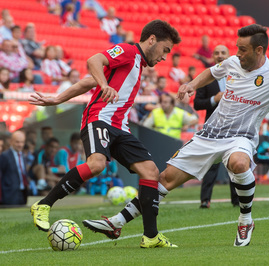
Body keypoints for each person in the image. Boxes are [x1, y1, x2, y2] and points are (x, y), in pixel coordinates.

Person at [81, 24, 269, 247]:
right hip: (209, 135)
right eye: (237, 48)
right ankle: (117, 223)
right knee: (165, 180)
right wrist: (192, 85)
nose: (238, 53)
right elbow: (212, 72)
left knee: (238, 163)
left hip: (240, 137)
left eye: (243, 49)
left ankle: (245, 220)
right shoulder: (233, 63)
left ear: (259, 50)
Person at [29, 19, 181, 248]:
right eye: (165, 50)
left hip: (120, 127)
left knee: (150, 172)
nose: (164, 57)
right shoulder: (129, 51)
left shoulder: (137, 63)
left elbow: (88, 81)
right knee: (97, 163)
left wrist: (58, 98)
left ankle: (151, 236)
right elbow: (94, 61)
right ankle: (44, 204)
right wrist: (104, 86)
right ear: (152, 40)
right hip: (98, 117)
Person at [194, 44, 239, 208]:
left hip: (235, 127)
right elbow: (197, 104)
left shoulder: (239, 76)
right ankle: (205, 201)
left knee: (235, 164)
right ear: (212, 56)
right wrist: (214, 99)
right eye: (217, 53)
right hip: (213, 128)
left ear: (229, 55)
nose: (220, 55)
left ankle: (237, 200)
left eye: (223, 53)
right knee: (211, 165)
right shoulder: (206, 77)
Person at [0, 130, 29, 205]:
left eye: (22, 142)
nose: (20, 144)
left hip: (22, 193)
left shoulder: (23, 155)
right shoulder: (5, 156)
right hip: (9, 194)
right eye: (17, 142)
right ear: (11, 141)